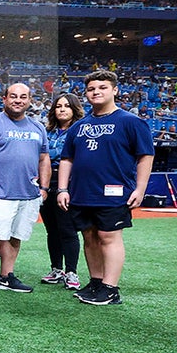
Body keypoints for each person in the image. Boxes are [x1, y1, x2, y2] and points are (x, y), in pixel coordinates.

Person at [56, 70, 154, 306]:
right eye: (91, 89)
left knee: (108, 237)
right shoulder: (79, 126)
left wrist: (140, 189)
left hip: (114, 191)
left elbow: (145, 156)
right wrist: (62, 189)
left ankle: (111, 289)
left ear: (115, 90)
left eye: (102, 87)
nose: (96, 92)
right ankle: (96, 283)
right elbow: (67, 159)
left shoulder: (131, 122)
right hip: (82, 192)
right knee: (89, 237)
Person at [0, 83, 50, 296]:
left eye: (23, 96)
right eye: (13, 96)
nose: (18, 100)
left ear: (29, 99)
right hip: (0, 193)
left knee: (15, 237)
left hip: (28, 194)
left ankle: (6, 276)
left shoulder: (37, 127)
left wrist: (44, 187)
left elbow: (44, 159)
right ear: (4, 98)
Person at [39, 93, 85, 290]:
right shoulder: (47, 131)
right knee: (52, 230)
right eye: (58, 106)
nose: (62, 109)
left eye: (67, 106)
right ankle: (56, 269)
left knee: (68, 229)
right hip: (46, 182)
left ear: (74, 109)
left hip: (69, 183)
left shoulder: (82, 130)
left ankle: (72, 272)